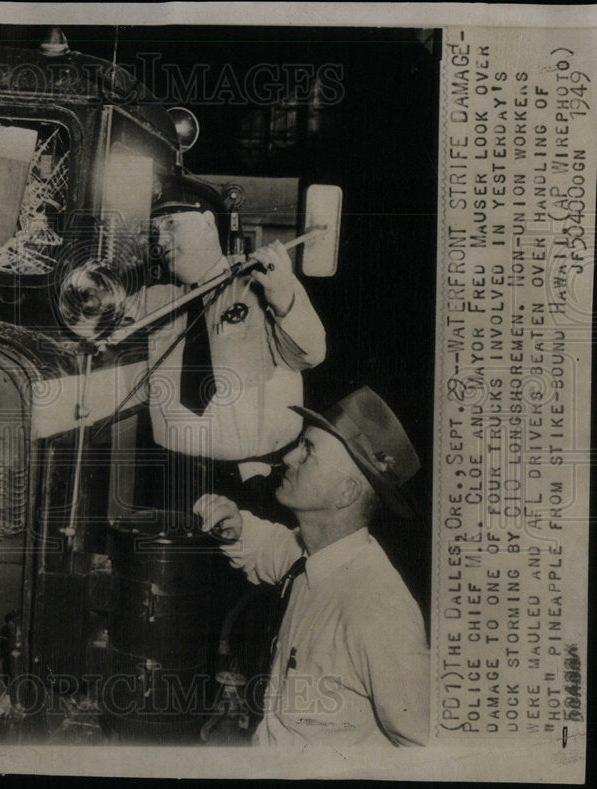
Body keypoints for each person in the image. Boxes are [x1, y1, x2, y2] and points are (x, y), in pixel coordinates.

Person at [194, 386, 429, 747]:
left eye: (309, 452)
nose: (289, 457)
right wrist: (235, 526)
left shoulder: (379, 610)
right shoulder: (316, 558)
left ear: (346, 493)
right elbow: (274, 547)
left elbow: (424, 748)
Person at [136, 175, 326, 510]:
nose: (159, 239)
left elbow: (310, 355)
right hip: (171, 478)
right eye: (155, 229)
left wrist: (284, 301)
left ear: (208, 223)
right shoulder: (155, 299)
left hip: (251, 484)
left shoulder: (263, 281)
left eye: (170, 224)